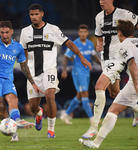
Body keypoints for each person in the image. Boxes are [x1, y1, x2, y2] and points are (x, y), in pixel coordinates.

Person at [20, 3, 92, 138]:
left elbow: (69, 43)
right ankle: (39, 113)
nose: (34, 17)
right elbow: (23, 52)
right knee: (33, 107)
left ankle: (51, 129)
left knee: (50, 96)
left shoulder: (53, 29)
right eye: (31, 15)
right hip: (33, 73)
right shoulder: (25, 32)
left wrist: (81, 57)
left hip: (49, 70)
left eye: (36, 14)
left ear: (42, 14)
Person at [82, 0, 138, 139]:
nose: (101, 1)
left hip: (121, 56)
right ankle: (136, 108)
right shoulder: (99, 17)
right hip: (107, 59)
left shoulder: (123, 14)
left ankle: (94, 127)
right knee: (114, 93)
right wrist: (99, 46)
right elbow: (99, 39)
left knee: (99, 86)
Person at [60, 24, 100, 124]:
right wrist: (64, 70)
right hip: (78, 72)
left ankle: (65, 114)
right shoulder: (75, 43)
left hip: (86, 72)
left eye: (84, 32)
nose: (83, 34)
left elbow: (94, 57)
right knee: (85, 94)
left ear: (87, 33)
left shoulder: (90, 43)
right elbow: (66, 57)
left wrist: (102, 65)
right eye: (81, 32)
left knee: (79, 96)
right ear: (78, 33)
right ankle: (92, 118)